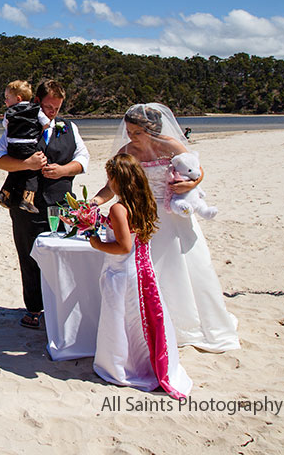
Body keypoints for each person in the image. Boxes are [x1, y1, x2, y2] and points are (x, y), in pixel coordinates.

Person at [90, 103, 240, 352]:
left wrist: (191, 186)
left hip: (176, 213)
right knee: (154, 270)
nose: (131, 136)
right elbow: (112, 186)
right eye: (128, 131)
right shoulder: (126, 152)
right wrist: (94, 201)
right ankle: (158, 322)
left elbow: (196, 171)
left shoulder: (171, 146)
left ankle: (191, 325)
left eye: (137, 132)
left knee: (188, 267)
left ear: (152, 130)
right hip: (146, 214)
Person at [88, 154, 192, 399]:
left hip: (123, 271)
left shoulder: (118, 208)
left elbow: (123, 246)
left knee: (122, 320)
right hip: (144, 270)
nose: (108, 182)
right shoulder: (143, 202)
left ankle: (123, 365)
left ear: (117, 180)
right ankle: (145, 362)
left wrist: (97, 244)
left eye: (109, 178)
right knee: (141, 321)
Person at [0, 80, 90, 329]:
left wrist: (64, 170)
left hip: (61, 202)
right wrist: (27, 164)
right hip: (26, 205)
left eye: (56, 108)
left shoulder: (70, 128)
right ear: (36, 102)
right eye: (47, 107)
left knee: (64, 255)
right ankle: (34, 309)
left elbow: (83, 159)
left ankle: (64, 307)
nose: (52, 112)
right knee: (29, 256)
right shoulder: (19, 123)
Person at [0, 80, 51, 213]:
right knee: (32, 172)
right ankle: (27, 200)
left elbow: (6, 125)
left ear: (18, 98)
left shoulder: (9, 112)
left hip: (13, 146)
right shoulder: (35, 109)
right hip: (29, 145)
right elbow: (46, 123)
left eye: (7, 98)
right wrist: (39, 131)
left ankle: (5, 192)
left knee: (16, 170)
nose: (5, 101)